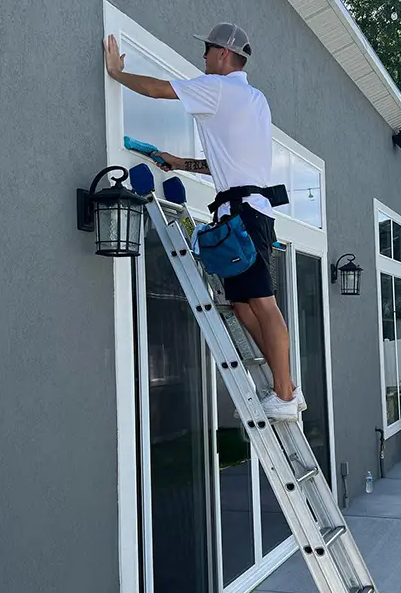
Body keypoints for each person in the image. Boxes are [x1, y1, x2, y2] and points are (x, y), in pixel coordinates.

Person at [103, 23, 304, 421]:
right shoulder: (254, 99)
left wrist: (117, 74)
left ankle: (284, 392)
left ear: (224, 54)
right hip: (247, 210)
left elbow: (160, 90)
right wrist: (181, 164)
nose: (204, 57)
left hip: (245, 214)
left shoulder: (219, 88)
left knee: (263, 305)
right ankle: (288, 387)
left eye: (208, 50)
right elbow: (229, 164)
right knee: (243, 307)